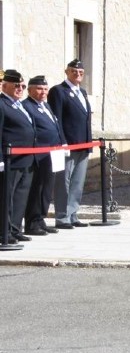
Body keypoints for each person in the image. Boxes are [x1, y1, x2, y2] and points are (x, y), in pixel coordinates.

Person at [48, 58, 92, 229]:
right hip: (67, 145)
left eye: (80, 72)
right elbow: (56, 118)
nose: (77, 74)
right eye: (74, 71)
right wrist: (62, 142)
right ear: (67, 72)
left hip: (83, 144)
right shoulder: (59, 91)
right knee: (63, 181)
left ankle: (72, 214)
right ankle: (61, 216)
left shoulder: (83, 92)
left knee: (77, 182)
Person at [22, 75, 66, 236]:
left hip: (52, 153)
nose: (43, 92)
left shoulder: (46, 106)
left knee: (47, 189)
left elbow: (55, 125)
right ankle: (32, 223)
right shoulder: (27, 106)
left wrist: (62, 143)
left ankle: (41, 219)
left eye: (45, 89)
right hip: (39, 154)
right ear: (30, 90)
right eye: (39, 89)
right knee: (37, 188)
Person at [1, 70, 36, 242]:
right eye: (16, 86)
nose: (20, 89)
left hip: (26, 159)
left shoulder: (19, 105)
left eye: (22, 86)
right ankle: (4, 232)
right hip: (10, 160)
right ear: (4, 85)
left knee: (20, 196)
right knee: (7, 197)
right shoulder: (2, 104)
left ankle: (15, 229)